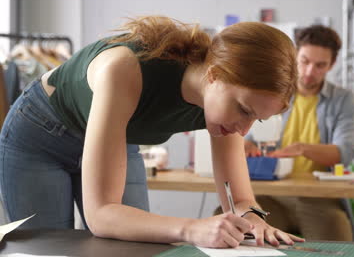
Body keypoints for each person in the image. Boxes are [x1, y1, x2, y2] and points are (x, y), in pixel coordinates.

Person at [0, 16, 305, 248]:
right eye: (244, 110)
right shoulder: (124, 69)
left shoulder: (225, 108)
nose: (244, 129)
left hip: (118, 138)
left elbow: (239, 197)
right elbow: (102, 215)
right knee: (49, 249)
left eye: (258, 120)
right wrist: (192, 228)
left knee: (132, 247)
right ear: (214, 76)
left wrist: (254, 218)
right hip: (40, 135)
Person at [244, 25, 354, 241]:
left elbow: (344, 153)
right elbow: (250, 136)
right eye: (305, 61)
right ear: (295, 55)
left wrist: (302, 149)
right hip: (271, 197)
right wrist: (246, 144)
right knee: (235, 224)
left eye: (320, 65)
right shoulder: (273, 91)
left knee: (339, 245)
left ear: (332, 65)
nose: (309, 72)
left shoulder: (343, 100)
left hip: (319, 197)